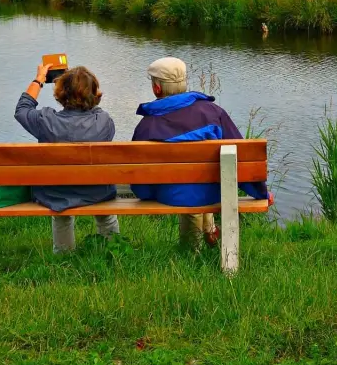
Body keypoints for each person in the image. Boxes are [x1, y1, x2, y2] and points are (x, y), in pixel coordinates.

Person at [131, 56, 270, 246]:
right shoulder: (213, 113)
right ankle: (209, 231)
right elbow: (243, 159)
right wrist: (262, 193)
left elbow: (139, 178)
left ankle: (191, 252)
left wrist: (148, 195)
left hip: (170, 196)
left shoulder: (146, 126)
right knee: (198, 183)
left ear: (157, 88)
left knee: (185, 188)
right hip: (214, 193)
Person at [14, 61, 120, 237]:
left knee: (60, 210)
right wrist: (82, 88)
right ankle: (114, 245)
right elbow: (93, 107)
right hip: (97, 192)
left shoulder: (45, 121)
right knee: (106, 211)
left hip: (55, 194)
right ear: (93, 93)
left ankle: (63, 254)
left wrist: (39, 80)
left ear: (60, 94)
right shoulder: (104, 121)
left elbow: (22, 110)